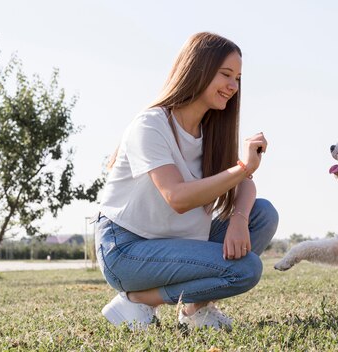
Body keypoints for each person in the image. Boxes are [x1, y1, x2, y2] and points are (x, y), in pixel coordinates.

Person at [95, 32, 278, 331]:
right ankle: (140, 298)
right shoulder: (151, 125)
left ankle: (194, 310)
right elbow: (177, 198)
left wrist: (239, 219)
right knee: (245, 270)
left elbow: (245, 184)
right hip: (126, 248)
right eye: (226, 75)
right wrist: (244, 167)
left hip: (176, 243)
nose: (233, 86)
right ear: (199, 70)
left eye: (238, 78)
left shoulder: (211, 131)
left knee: (262, 213)